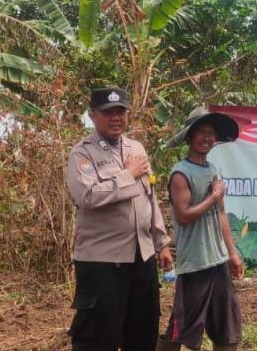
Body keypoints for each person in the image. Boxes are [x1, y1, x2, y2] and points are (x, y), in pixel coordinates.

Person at [66, 87, 175, 351]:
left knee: (142, 333)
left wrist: (161, 243)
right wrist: (128, 175)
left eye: (120, 112)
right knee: (98, 339)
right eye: (108, 112)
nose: (115, 118)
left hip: (142, 258)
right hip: (102, 263)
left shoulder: (136, 149)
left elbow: (149, 197)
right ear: (93, 115)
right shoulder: (82, 154)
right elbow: (88, 196)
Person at [157, 109, 244, 351]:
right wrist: (213, 196)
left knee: (227, 324)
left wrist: (232, 253)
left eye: (211, 133)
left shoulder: (214, 170)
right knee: (182, 325)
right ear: (189, 137)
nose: (207, 138)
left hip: (218, 260)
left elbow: (221, 214)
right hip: (194, 264)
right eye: (201, 132)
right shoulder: (181, 173)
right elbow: (184, 216)